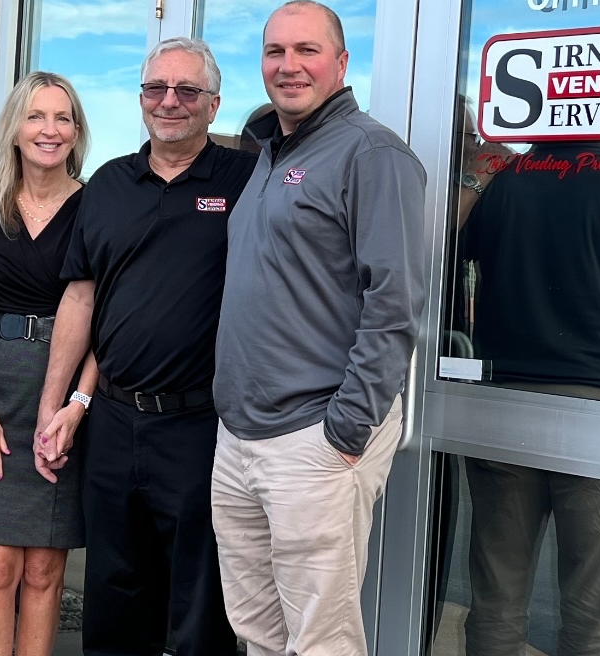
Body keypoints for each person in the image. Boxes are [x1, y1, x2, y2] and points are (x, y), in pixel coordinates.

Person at [211, 2, 426, 655]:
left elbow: (395, 302)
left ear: (341, 61)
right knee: (257, 630)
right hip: (241, 437)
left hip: (314, 439)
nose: (289, 65)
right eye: (275, 52)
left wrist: (347, 429)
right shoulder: (268, 155)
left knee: (320, 638)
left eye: (307, 50)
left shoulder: (371, 153)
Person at [35, 37, 257, 656]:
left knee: (198, 599)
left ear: (213, 106)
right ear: (140, 99)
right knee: (113, 587)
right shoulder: (107, 184)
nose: (170, 101)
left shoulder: (246, 181)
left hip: (199, 425)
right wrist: (56, 409)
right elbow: (81, 299)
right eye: (156, 88)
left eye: (188, 90)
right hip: (110, 419)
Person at [459, 139, 600, 655]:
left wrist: (476, 179)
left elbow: (449, 257)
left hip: (505, 408)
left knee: (496, 605)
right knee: (595, 619)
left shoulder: (506, 183)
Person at [0, 71, 94, 656]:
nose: (49, 130)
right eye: (36, 116)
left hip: (63, 397)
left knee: (42, 572)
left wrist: (77, 406)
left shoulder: (95, 205)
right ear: (13, 129)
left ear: (77, 132)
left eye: (63, 118)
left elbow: (104, 317)